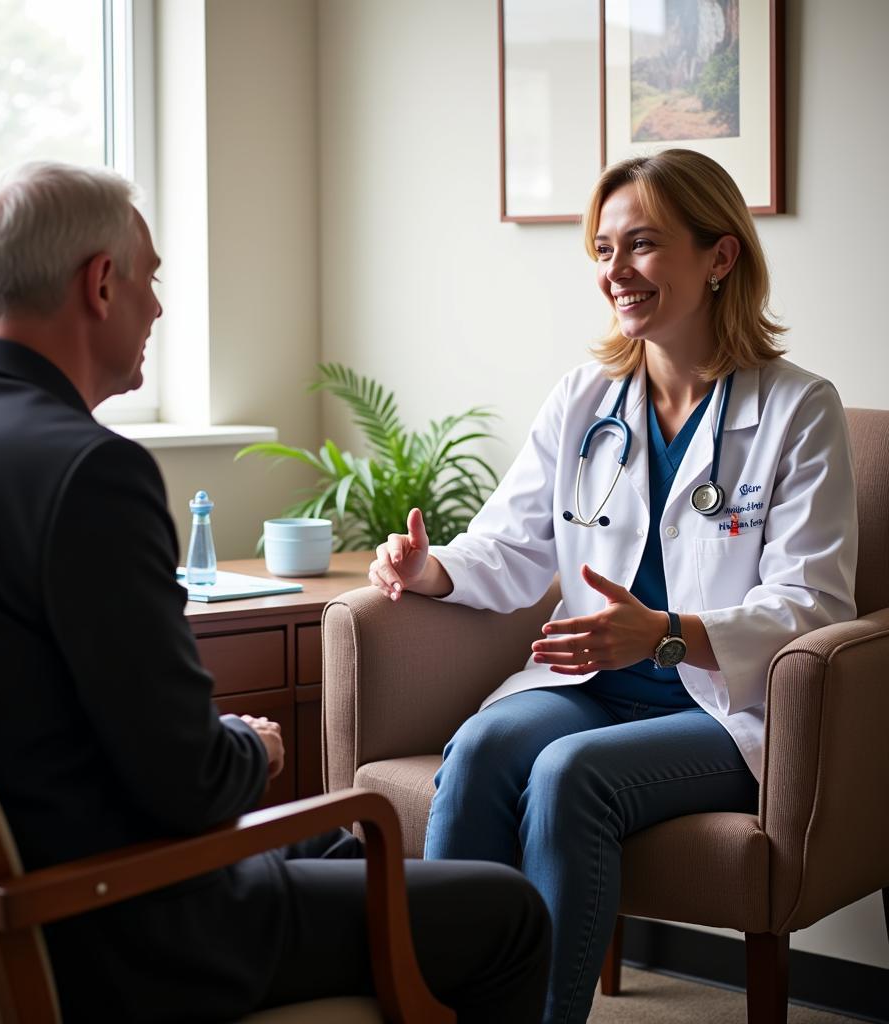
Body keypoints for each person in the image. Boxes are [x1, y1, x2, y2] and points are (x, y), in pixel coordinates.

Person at [0, 161, 550, 1023]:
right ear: (101, 283)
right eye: (150, 280)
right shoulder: (90, 473)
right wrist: (251, 746)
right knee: (509, 914)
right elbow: (186, 783)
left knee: (340, 849)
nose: (157, 308)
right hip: (115, 924)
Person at [369, 149, 858, 1024]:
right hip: (588, 687)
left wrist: (666, 633)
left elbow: (814, 604)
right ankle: (437, 1008)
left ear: (720, 256)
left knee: (568, 774)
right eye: (602, 250)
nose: (615, 273)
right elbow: (511, 545)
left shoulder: (797, 408)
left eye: (641, 245)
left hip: (719, 711)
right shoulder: (584, 398)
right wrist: (428, 568)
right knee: (479, 748)